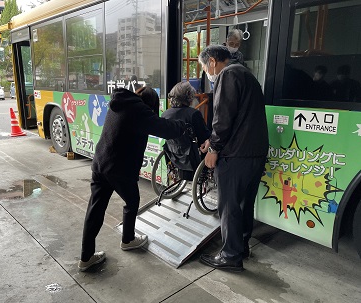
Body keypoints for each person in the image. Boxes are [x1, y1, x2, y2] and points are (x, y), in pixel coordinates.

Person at [78, 87, 186, 271]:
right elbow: (164, 129)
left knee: (95, 209)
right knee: (132, 200)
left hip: (100, 163)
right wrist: (183, 125)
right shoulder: (138, 110)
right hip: (118, 167)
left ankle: (86, 258)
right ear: (150, 104)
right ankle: (128, 240)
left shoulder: (120, 102)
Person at [198, 45, 269, 272]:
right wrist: (213, 140)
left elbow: (223, 116)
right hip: (254, 153)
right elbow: (241, 118)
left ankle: (230, 256)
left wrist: (213, 148)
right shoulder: (247, 74)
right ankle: (242, 246)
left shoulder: (227, 74)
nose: (207, 73)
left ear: (212, 61)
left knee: (228, 206)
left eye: (204, 67)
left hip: (235, 156)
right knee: (244, 204)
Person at [161, 82, 211, 180]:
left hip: (173, 155)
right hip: (191, 158)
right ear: (189, 97)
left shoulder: (165, 114)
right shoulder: (193, 114)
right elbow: (204, 136)